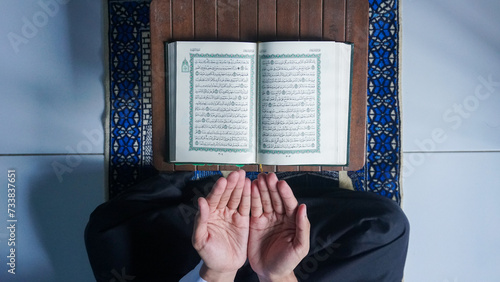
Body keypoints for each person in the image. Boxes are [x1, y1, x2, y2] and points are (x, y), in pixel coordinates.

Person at [85, 170, 409, 281]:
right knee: (384, 227)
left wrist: (219, 272)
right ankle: (268, 208)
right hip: (289, 273)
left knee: (110, 232)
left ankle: (224, 197)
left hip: (202, 269)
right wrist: (278, 274)